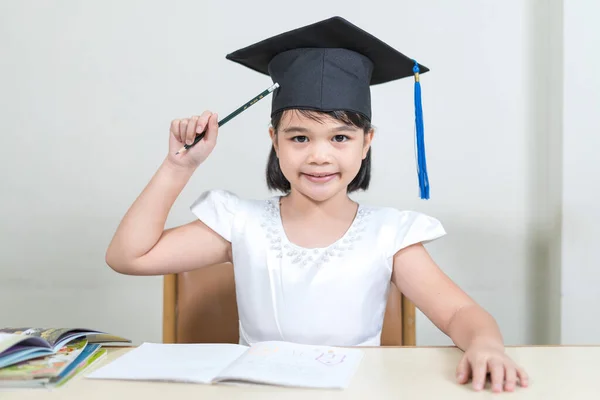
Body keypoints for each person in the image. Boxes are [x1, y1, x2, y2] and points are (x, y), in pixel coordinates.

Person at [105, 16, 529, 393]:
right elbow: (128, 256)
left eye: (340, 138)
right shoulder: (241, 224)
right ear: (275, 140)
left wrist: (486, 345)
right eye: (299, 137)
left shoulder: (390, 235)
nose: (319, 156)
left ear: (367, 144)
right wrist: (178, 167)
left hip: (357, 389)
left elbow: (460, 312)